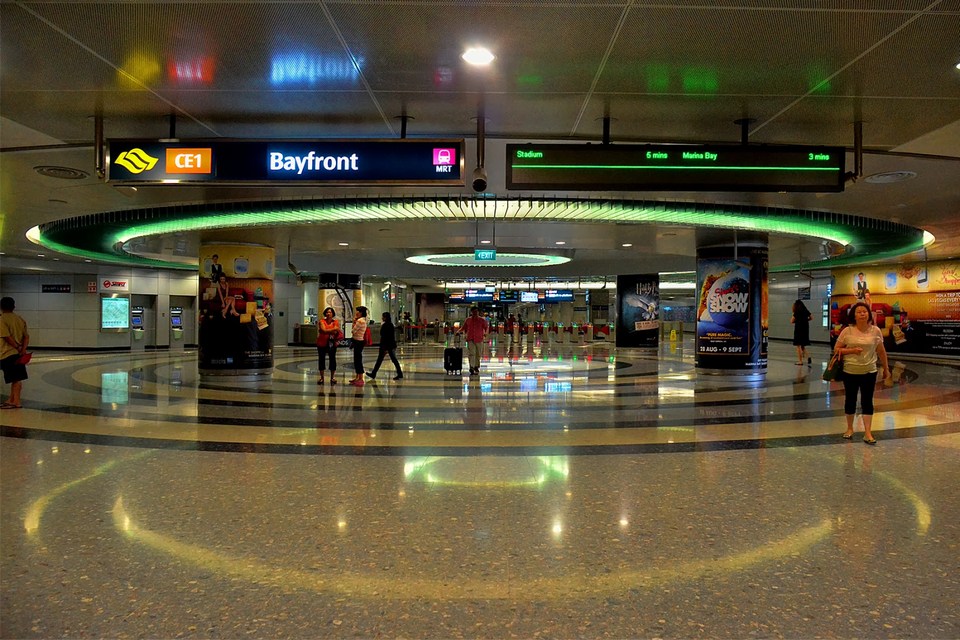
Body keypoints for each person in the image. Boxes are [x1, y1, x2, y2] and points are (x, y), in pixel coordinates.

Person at [834, 301, 890, 445]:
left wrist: (886, 368)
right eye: (859, 312)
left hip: (869, 371)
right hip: (850, 371)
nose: (862, 314)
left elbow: (881, 351)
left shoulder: (876, 331)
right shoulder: (847, 331)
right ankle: (849, 428)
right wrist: (851, 350)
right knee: (850, 399)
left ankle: (868, 432)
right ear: (854, 315)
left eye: (864, 311)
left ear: (869, 314)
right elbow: (837, 349)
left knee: (867, 401)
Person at [0, 296, 29, 409]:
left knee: (15, 378)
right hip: (18, 353)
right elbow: (26, 337)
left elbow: (6, 336)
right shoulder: (20, 319)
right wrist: (23, 349)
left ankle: (16, 401)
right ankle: (11, 399)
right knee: (15, 377)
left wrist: (17, 347)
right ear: (14, 306)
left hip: (7, 352)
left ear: (1, 307)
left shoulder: (2, 319)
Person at [367, 312, 403, 380]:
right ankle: (399, 373)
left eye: (383, 317)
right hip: (390, 345)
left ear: (385, 317)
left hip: (386, 346)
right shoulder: (391, 325)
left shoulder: (385, 325)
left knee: (381, 360)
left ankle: (374, 373)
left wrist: (385, 348)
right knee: (393, 360)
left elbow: (384, 335)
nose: (382, 318)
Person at [458, 306, 488, 376]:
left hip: (479, 339)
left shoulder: (482, 320)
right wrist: (458, 331)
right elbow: (463, 327)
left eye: (476, 311)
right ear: (471, 312)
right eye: (474, 312)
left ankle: (476, 366)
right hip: (470, 339)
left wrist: (485, 333)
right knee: (472, 353)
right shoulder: (468, 320)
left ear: (478, 312)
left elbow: (486, 327)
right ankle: (471, 367)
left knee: (478, 354)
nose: (475, 313)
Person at [316, 307, 340, 385]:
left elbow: (336, 331)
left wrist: (327, 330)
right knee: (321, 359)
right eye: (327, 312)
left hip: (332, 343)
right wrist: (333, 329)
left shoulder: (335, 322)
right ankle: (322, 378)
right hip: (321, 343)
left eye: (330, 312)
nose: (328, 314)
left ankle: (332, 377)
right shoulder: (322, 321)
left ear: (333, 314)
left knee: (332, 359)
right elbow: (324, 330)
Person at [348, 306, 369, 386]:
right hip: (359, 341)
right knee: (357, 360)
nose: (356, 313)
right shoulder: (363, 320)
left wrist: (354, 322)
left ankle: (360, 378)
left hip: (358, 342)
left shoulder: (360, 321)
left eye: (358, 311)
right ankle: (357, 377)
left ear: (361, 313)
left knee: (358, 360)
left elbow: (353, 331)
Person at [791, 300, 813, 365]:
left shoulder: (797, 312)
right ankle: (808, 357)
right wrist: (806, 320)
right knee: (802, 345)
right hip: (805, 329)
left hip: (798, 329)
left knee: (798, 346)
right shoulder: (805, 310)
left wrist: (797, 321)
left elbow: (791, 321)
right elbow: (811, 317)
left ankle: (800, 361)